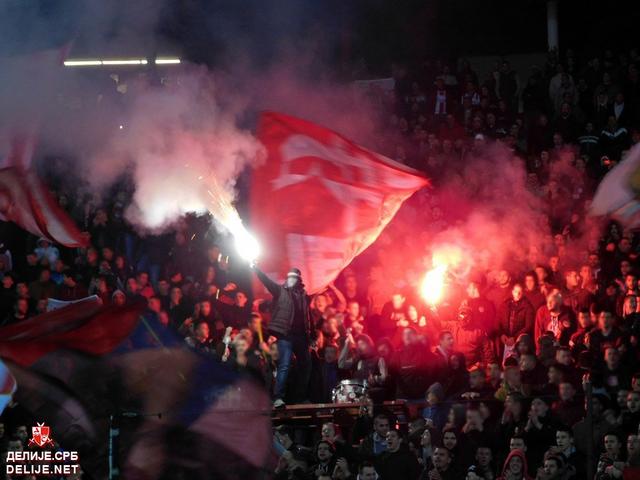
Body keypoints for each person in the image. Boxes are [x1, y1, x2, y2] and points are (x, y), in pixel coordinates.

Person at [252, 265, 313, 407]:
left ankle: (300, 397)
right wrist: (256, 268)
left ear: (299, 280)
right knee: (284, 365)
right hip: (286, 334)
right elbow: (266, 281)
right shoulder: (280, 291)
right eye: (289, 277)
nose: (291, 279)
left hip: (301, 336)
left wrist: (312, 335)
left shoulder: (304, 296)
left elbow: (308, 317)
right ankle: (278, 397)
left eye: (294, 277)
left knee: (306, 365)